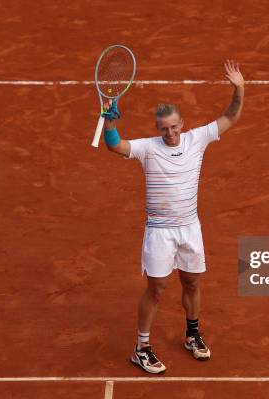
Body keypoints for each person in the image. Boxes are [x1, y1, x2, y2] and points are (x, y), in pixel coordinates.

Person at [101, 60, 244, 374]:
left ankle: (192, 334)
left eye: (174, 127)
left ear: (183, 123)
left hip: (190, 228)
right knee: (156, 289)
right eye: (164, 128)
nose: (170, 133)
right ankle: (141, 348)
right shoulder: (147, 149)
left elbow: (232, 116)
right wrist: (109, 122)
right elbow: (114, 145)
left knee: (192, 283)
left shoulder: (198, 139)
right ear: (157, 129)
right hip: (160, 233)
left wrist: (239, 88)